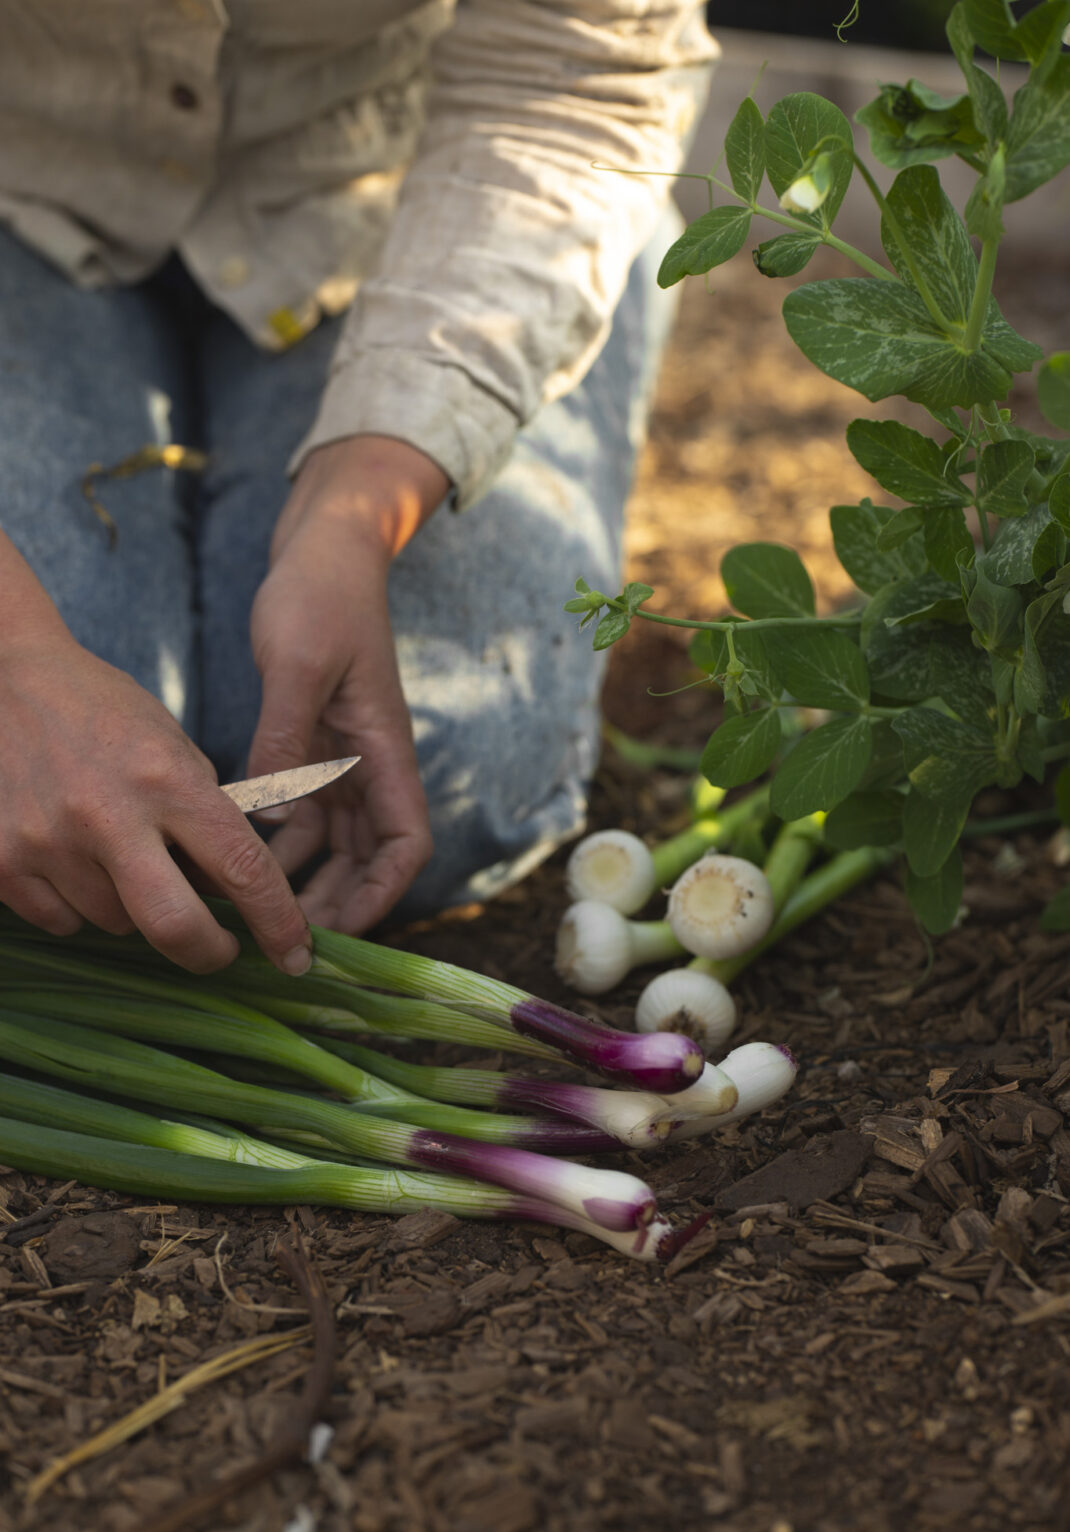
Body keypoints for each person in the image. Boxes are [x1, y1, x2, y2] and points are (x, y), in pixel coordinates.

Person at [0, 1, 716, 978]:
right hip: (22, 196)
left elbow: (573, 73)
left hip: (402, 196)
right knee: (86, 832)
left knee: (439, 777)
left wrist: (357, 506)